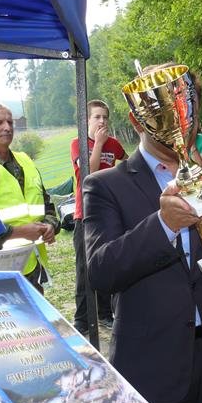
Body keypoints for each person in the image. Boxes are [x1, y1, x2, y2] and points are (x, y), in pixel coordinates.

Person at [83, 63, 202, 403]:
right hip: (152, 363)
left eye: (184, 106)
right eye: (164, 109)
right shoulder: (105, 185)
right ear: (137, 118)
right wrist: (163, 225)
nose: (178, 118)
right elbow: (101, 270)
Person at [71, 100, 127, 335]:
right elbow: (89, 173)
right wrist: (99, 144)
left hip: (109, 214)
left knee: (106, 263)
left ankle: (105, 314)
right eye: (97, 117)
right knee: (84, 269)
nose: (102, 121)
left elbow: (128, 164)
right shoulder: (78, 144)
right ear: (86, 121)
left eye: (105, 117)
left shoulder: (114, 144)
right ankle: (82, 319)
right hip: (84, 215)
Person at [0, 103, 59, 294]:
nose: (7, 127)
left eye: (10, 122)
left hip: (33, 267)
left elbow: (47, 205)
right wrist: (18, 232)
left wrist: (49, 225)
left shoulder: (25, 160)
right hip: (0, 273)